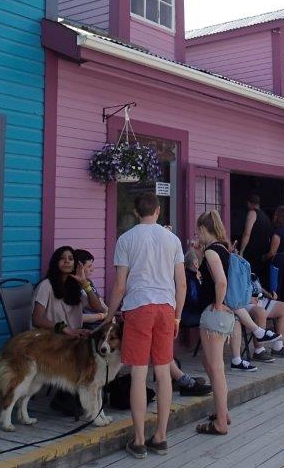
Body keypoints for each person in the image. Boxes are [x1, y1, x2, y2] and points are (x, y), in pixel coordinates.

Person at [103, 193, 187, 459]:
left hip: (138, 307)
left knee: (138, 374)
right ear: (158, 211)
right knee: (163, 373)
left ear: (137, 212)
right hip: (165, 307)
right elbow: (181, 284)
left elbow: (119, 285)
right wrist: (177, 316)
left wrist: (109, 315)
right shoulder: (172, 240)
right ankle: (161, 436)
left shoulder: (126, 239)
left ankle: (139, 440)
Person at [195, 210, 235, 436]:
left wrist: (218, 303)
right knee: (210, 363)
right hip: (223, 316)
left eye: (197, 230)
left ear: (203, 228)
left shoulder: (211, 252)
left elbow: (220, 281)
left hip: (214, 314)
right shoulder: (223, 248)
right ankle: (223, 411)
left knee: (216, 368)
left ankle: (220, 420)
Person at [32, 246, 106, 337]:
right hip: (50, 338)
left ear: (75, 264)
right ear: (55, 263)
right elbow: (37, 319)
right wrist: (64, 328)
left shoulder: (74, 286)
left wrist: (84, 283)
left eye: (70, 259)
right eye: (62, 258)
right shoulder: (46, 285)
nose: (67, 261)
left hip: (72, 337)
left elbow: (97, 307)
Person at [246, 274, 284, 360]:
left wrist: (268, 294)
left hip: (260, 300)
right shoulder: (232, 267)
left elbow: (258, 286)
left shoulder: (248, 268)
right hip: (245, 303)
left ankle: (278, 347)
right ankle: (259, 351)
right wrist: (247, 298)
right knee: (261, 312)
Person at [263, 205, 284, 331]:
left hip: (278, 264)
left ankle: (281, 327)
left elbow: (272, 252)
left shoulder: (278, 231)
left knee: (275, 292)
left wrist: (263, 257)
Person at [239, 194, 272, 285]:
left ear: (249, 203)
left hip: (253, 252)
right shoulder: (266, 217)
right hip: (263, 253)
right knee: (260, 281)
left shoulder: (252, 213)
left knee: (250, 279)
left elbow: (247, 233)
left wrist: (241, 251)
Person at [73, 249, 108, 327]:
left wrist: (108, 312)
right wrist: (103, 316)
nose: (92, 269)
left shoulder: (88, 282)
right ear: (79, 267)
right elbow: (73, 317)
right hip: (82, 327)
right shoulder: (70, 285)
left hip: (96, 322)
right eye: (89, 266)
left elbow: (99, 304)